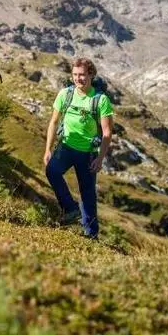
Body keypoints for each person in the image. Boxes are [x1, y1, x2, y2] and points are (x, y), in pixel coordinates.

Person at [44, 58, 113, 239]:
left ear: (91, 74)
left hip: (88, 153)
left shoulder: (101, 100)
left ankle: (91, 234)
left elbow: (107, 132)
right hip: (66, 147)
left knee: (87, 193)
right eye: (75, 74)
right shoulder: (65, 94)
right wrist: (48, 149)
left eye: (82, 74)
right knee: (52, 171)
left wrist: (100, 158)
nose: (78, 78)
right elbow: (53, 122)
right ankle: (70, 208)